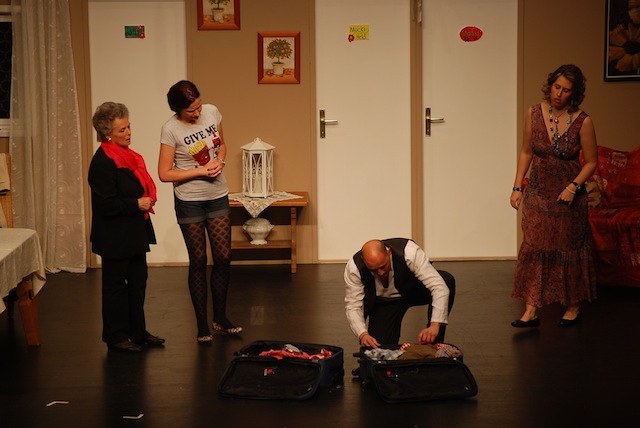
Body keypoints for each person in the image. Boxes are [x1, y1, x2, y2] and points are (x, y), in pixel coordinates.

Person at [509, 64, 598, 328]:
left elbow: (591, 162)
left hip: (568, 197)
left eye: (566, 90)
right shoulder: (534, 113)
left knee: (568, 250)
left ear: (575, 93)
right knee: (534, 247)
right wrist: (517, 187)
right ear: (550, 85)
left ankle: (573, 307)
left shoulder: (583, 121)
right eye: (556, 87)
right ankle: (530, 311)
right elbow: (526, 151)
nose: (559, 93)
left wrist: (573, 187)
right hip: (538, 193)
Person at [158, 80, 241, 344]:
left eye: (198, 106)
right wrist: (200, 171)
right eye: (191, 110)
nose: (197, 112)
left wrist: (220, 161)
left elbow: (222, 144)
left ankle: (220, 317)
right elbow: (164, 173)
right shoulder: (170, 129)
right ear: (178, 110)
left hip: (217, 195)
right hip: (189, 200)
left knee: (224, 257)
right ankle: (202, 325)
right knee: (198, 259)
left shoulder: (212, 112)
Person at [88, 102, 165, 353]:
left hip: (134, 231)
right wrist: (136, 203)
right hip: (114, 235)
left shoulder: (130, 156)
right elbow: (105, 204)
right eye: (122, 130)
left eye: (129, 127)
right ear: (107, 133)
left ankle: (138, 332)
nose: (129, 133)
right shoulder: (103, 161)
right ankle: (116, 337)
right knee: (115, 287)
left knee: (138, 282)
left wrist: (142, 201)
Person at [344, 238, 455, 348]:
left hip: (413, 290)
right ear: (364, 261)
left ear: (389, 252)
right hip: (385, 303)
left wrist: (434, 325)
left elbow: (438, 286)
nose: (380, 273)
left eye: (383, 266)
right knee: (380, 348)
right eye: (374, 270)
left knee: (445, 280)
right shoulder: (355, 268)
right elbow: (353, 306)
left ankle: (435, 342)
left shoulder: (408, 251)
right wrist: (363, 334)